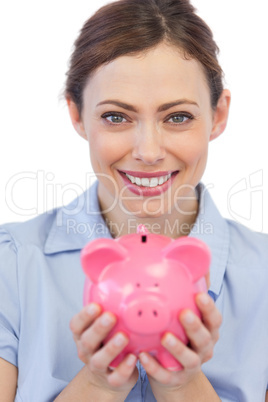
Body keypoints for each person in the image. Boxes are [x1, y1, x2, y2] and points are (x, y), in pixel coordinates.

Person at [0, 0, 267, 401]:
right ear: (76, 115)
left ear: (218, 114)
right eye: (115, 117)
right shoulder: (12, 266)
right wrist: (96, 384)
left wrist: (183, 383)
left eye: (177, 117)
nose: (148, 151)